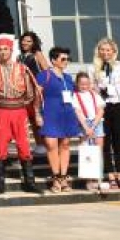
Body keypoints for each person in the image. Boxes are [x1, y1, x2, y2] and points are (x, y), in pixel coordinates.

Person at [0, 34, 43, 195]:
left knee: (24, 146)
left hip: (19, 111)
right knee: (0, 146)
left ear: (11, 50)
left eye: (5, 49)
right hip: (0, 111)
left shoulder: (22, 68)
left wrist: (35, 112)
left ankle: (29, 182)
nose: (3, 52)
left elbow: (32, 91)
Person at [89, 38, 120, 192]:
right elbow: (92, 91)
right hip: (103, 107)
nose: (105, 52)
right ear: (99, 51)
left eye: (109, 50)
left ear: (114, 52)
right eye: (103, 49)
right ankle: (111, 176)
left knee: (119, 142)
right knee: (105, 142)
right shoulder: (93, 68)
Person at [38, 47, 80, 193]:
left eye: (68, 59)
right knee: (51, 144)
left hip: (67, 114)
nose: (66, 61)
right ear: (54, 60)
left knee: (66, 144)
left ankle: (63, 177)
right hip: (50, 114)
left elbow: (74, 97)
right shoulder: (45, 75)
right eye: (63, 59)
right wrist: (37, 114)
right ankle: (56, 178)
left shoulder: (68, 78)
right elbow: (37, 96)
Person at [72, 72, 106, 191]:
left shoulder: (94, 94)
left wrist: (93, 126)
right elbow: (78, 112)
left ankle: (98, 178)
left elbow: (100, 110)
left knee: (98, 150)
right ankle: (88, 179)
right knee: (86, 151)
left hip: (97, 123)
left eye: (87, 84)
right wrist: (86, 127)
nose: (84, 86)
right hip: (84, 124)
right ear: (77, 84)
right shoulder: (75, 96)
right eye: (82, 84)